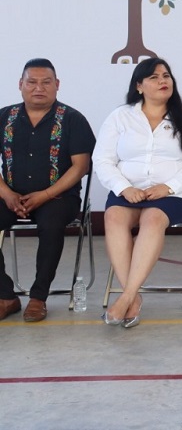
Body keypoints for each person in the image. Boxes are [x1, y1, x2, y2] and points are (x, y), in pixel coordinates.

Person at [94, 58, 182, 328]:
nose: (163, 81)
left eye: (166, 76)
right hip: (129, 190)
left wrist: (169, 187)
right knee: (113, 217)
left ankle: (126, 297)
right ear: (139, 86)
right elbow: (102, 160)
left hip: (178, 193)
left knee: (152, 218)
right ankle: (132, 296)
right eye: (154, 77)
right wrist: (124, 188)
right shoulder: (120, 117)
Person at [0, 59, 95, 322]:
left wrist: (45, 195)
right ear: (20, 84)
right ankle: (5, 295)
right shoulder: (4, 117)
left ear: (57, 85)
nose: (38, 88)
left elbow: (80, 166)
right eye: (32, 82)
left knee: (51, 224)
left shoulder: (73, 119)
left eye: (46, 82)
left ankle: (38, 297)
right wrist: (6, 193)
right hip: (11, 196)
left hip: (59, 197)